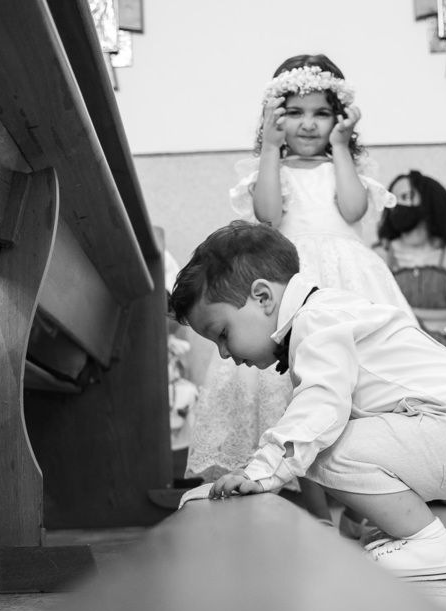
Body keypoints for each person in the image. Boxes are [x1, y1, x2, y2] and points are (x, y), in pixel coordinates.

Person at [169, 221, 446, 582]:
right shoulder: (323, 312)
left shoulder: (316, 322)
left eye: (223, 334)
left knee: (321, 445)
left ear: (263, 297)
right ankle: (389, 529)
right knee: (328, 435)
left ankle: (428, 545)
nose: (224, 354)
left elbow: (320, 410)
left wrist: (261, 471)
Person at [186, 53, 412, 524]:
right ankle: (315, 516)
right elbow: (268, 216)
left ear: (340, 117)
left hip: (347, 276)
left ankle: (363, 505)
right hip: (287, 279)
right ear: (274, 117)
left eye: (322, 113)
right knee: (291, 395)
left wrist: (343, 147)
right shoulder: (271, 167)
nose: (308, 124)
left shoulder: (344, 164)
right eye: (294, 113)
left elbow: (352, 211)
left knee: (355, 391)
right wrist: (270, 149)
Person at [374, 170, 446, 360]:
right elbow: (379, 313)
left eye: (406, 197)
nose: (398, 205)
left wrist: (406, 315)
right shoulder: (381, 253)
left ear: (429, 202)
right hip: (396, 351)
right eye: (393, 200)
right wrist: (428, 324)